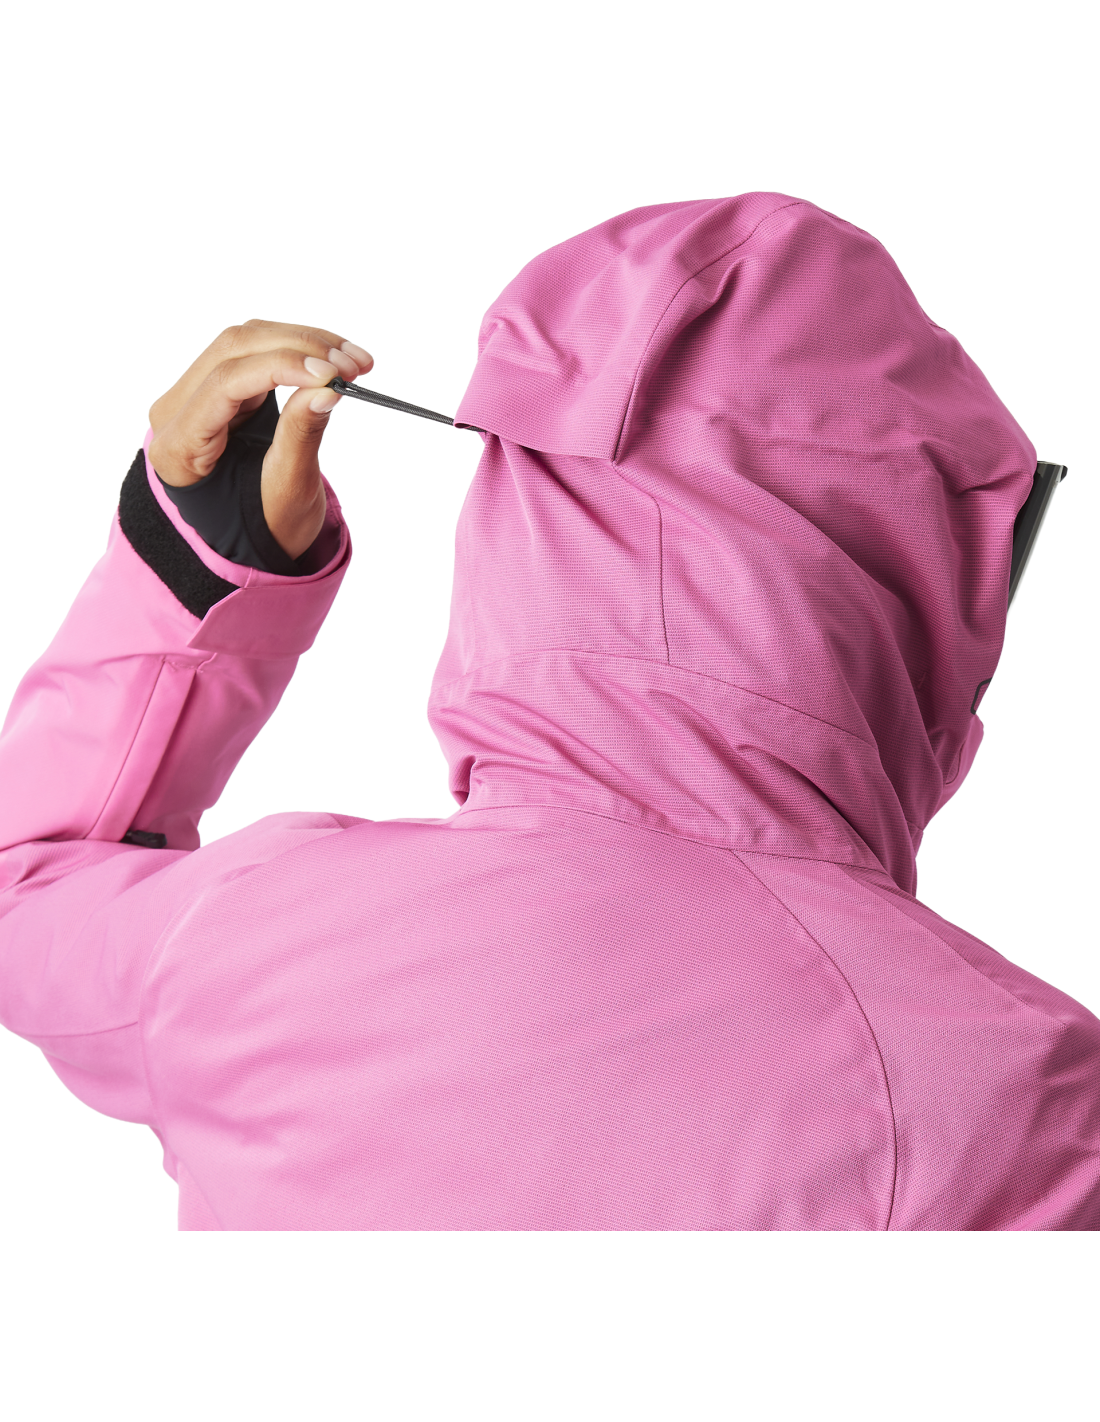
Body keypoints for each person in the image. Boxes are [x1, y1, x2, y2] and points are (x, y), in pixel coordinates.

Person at [1, 194, 1098, 1230]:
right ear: (930, 588)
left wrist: (205, 562)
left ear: (518, 518)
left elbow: (24, 886)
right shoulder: (1016, 1103)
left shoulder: (246, 934)